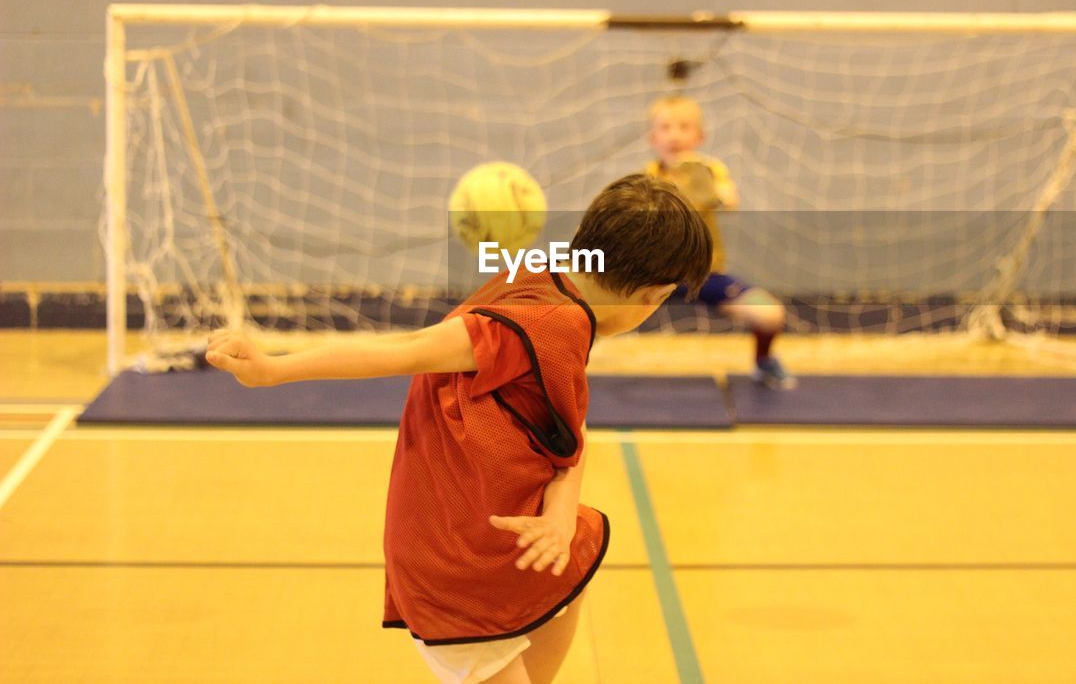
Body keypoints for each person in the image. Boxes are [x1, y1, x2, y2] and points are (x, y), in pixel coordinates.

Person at [206, 174, 712, 684]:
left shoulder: (556, 286)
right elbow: (405, 348)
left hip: (503, 543)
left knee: (571, 560)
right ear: (653, 297)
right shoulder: (536, 322)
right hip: (455, 563)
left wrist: (560, 512)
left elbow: (567, 420)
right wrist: (275, 368)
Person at [644, 94, 796, 389]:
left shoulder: (712, 170)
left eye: (684, 127)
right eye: (665, 127)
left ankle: (763, 362)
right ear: (653, 137)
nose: (674, 134)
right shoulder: (647, 177)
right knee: (590, 309)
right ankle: (569, 368)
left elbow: (729, 199)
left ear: (700, 136)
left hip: (705, 275)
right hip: (655, 276)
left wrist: (711, 188)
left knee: (770, 314)